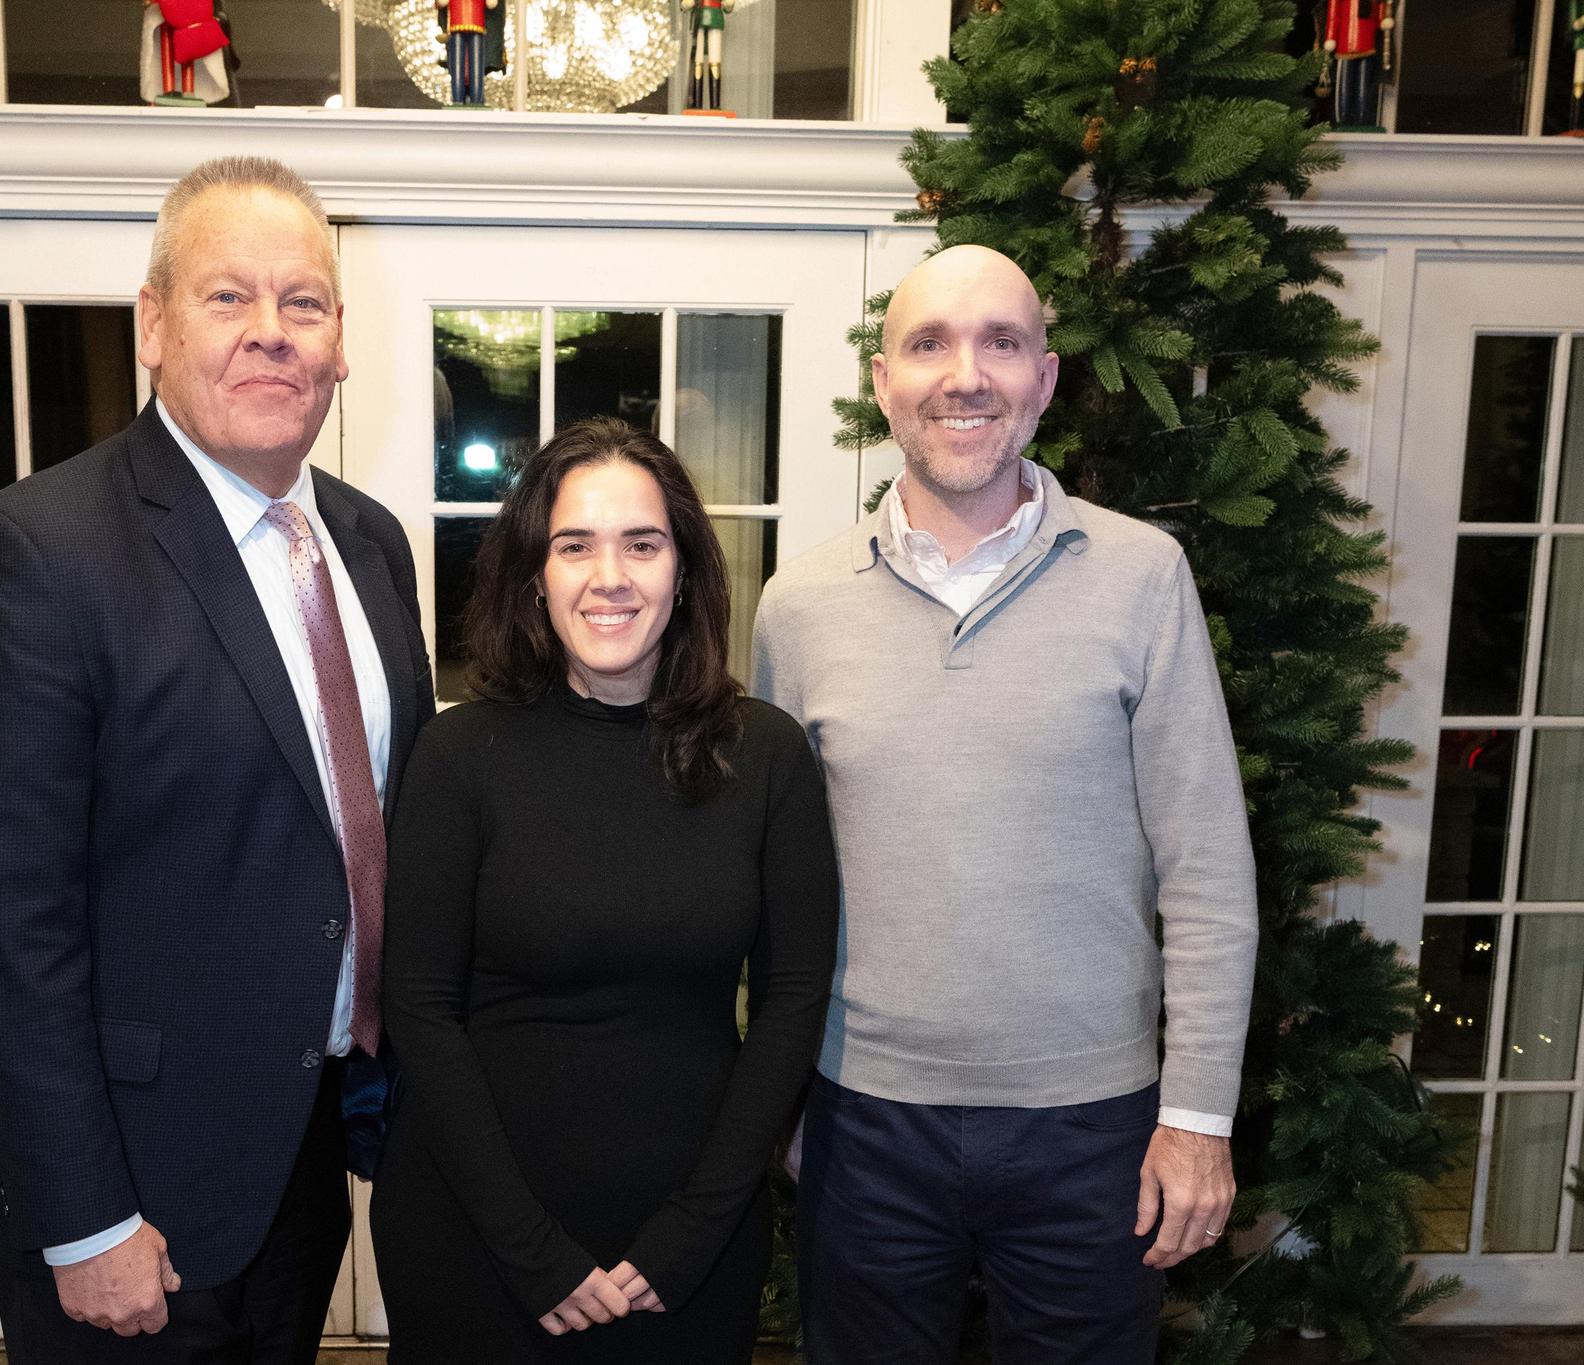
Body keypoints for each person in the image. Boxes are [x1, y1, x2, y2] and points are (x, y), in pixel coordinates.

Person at [0, 155, 433, 1363]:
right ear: (152, 324)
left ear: (340, 342)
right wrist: (84, 1218)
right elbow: (5, 926)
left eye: (302, 304)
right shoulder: (36, 553)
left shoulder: (367, 545)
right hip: (125, 1188)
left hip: (302, 1152)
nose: (271, 334)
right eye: (227, 298)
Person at [753, 245, 1259, 1364]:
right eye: (928, 343)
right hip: (863, 1124)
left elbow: (1209, 871)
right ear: (883, 384)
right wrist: (774, 1096)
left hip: (1095, 1132)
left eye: (1002, 342)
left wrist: (1198, 1118)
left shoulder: (1143, 577)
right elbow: (766, 887)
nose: (964, 374)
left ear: (1046, 377)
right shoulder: (798, 608)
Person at [373, 417, 839, 1363]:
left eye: (643, 542)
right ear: (533, 575)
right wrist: (528, 1249)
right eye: (574, 544)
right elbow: (418, 1008)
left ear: (687, 570)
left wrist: (693, 1233)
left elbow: (793, 1001)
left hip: (688, 1248)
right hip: (477, 1239)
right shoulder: (462, 754)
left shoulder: (768, 754)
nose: (610, 575)